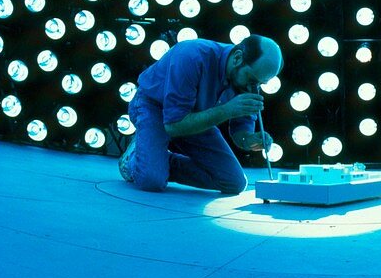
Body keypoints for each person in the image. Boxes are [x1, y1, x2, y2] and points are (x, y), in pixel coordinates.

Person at [118, 34, 283, 194]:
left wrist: (249, 140)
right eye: (253, 81)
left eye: (261, 84)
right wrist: (226, 110)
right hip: (154, 107)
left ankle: (152, 159)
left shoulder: (248, 77)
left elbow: (240, 132)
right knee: (151, 181)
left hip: (193, 117)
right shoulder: (191, 55)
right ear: (237, 58)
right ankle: (136, 158)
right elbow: (173, 126)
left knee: (234, 182)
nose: (252, 88)